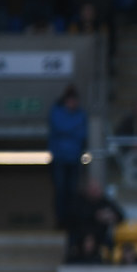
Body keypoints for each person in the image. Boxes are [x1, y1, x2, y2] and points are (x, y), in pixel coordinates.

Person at [48, 85, 88, 229]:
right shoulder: (57, 112)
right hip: (59, 158)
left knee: (72, 191)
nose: (73, 104)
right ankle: (60, 219)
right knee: (60, 190)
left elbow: (82, 134)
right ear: (66, 101)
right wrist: (73, 128)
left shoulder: (81, 114)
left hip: (74, 158)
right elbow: (59, 127)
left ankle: (71, 219)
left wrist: (68, 130)